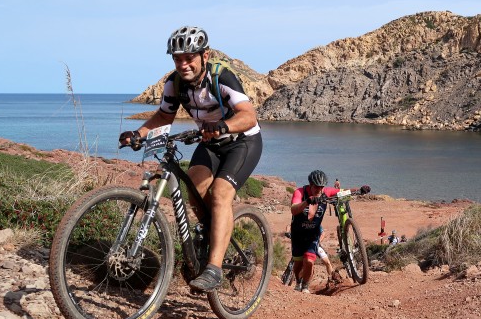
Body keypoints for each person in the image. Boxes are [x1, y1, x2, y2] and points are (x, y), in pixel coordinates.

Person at [119, 25, 262, 292]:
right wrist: (139, 134)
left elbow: (248, 115)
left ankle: (214, 269)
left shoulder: (222, 77)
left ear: (204, 56)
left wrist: (223, 126)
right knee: (195, 190)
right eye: (177, 58)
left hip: (242, 141)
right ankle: (212, 231)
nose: (183, 64)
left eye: (189, 57)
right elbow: (164, 116)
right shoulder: (175, 83)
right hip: (209, 141)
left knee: (220, 194)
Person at [290, 170, 369, 293]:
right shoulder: (300, 192)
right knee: (298, 264)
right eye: (316, 187)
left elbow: (343, 192)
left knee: (309, 261)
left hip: (313, 234)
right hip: (298, 233)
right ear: (310, 185)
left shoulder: (326, 192)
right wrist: (307, 201)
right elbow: (294, 209)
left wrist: (359, 190)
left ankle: (305, 286)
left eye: (321, 187)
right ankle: (298, 281)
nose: (319, 190)